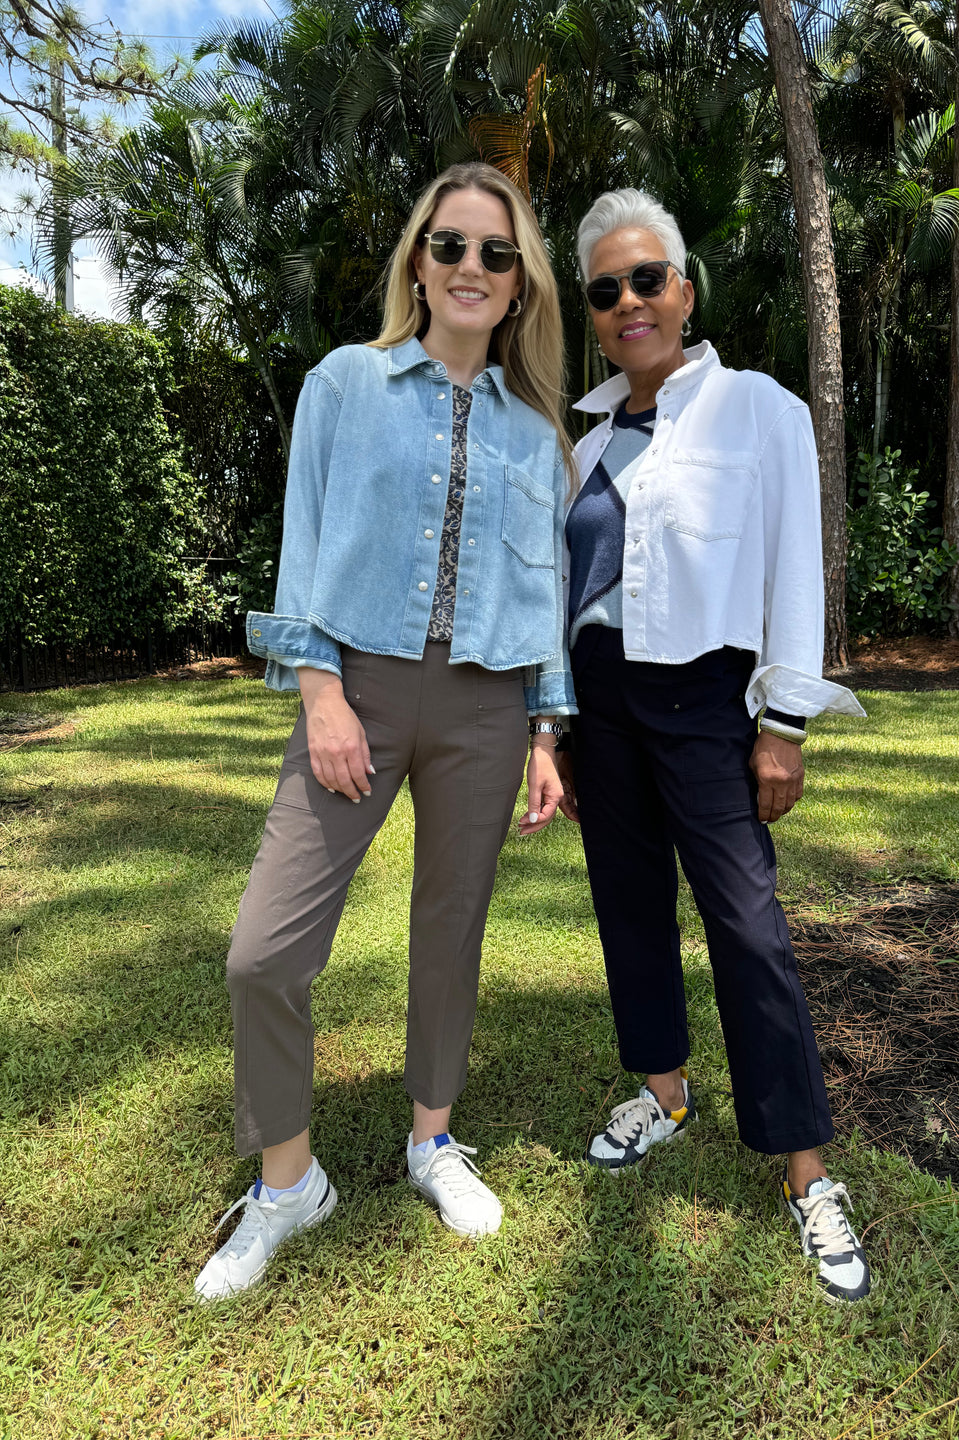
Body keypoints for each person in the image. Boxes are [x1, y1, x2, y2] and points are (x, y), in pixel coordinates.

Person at [194, 163, 575, 1302]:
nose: (471, 268)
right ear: (419, 262)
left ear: (519, 288)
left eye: (495, 255)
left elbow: (544, 590)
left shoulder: (537, 432)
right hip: (356, 685)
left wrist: (546, 732)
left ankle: (430, 1141)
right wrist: (319, 691)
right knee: (264, 949)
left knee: (450, 930)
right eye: (450, 247)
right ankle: (288, 1183)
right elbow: (304, 540)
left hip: (486, 704)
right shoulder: (344, 384)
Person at [556, 189, 871, 1305]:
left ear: (685, 288)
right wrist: (555, 724)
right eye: (606, 290)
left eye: (647, 280)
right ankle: (666, 1090)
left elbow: (796, 569)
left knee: (748, 927)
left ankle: (806, 1171)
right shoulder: (586, 440)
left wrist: (783, 723)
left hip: (703, 698)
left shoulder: (760, 410)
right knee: (629, 907)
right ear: (592, 313)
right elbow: (567, 590)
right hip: (600, 701)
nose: (629, 302)